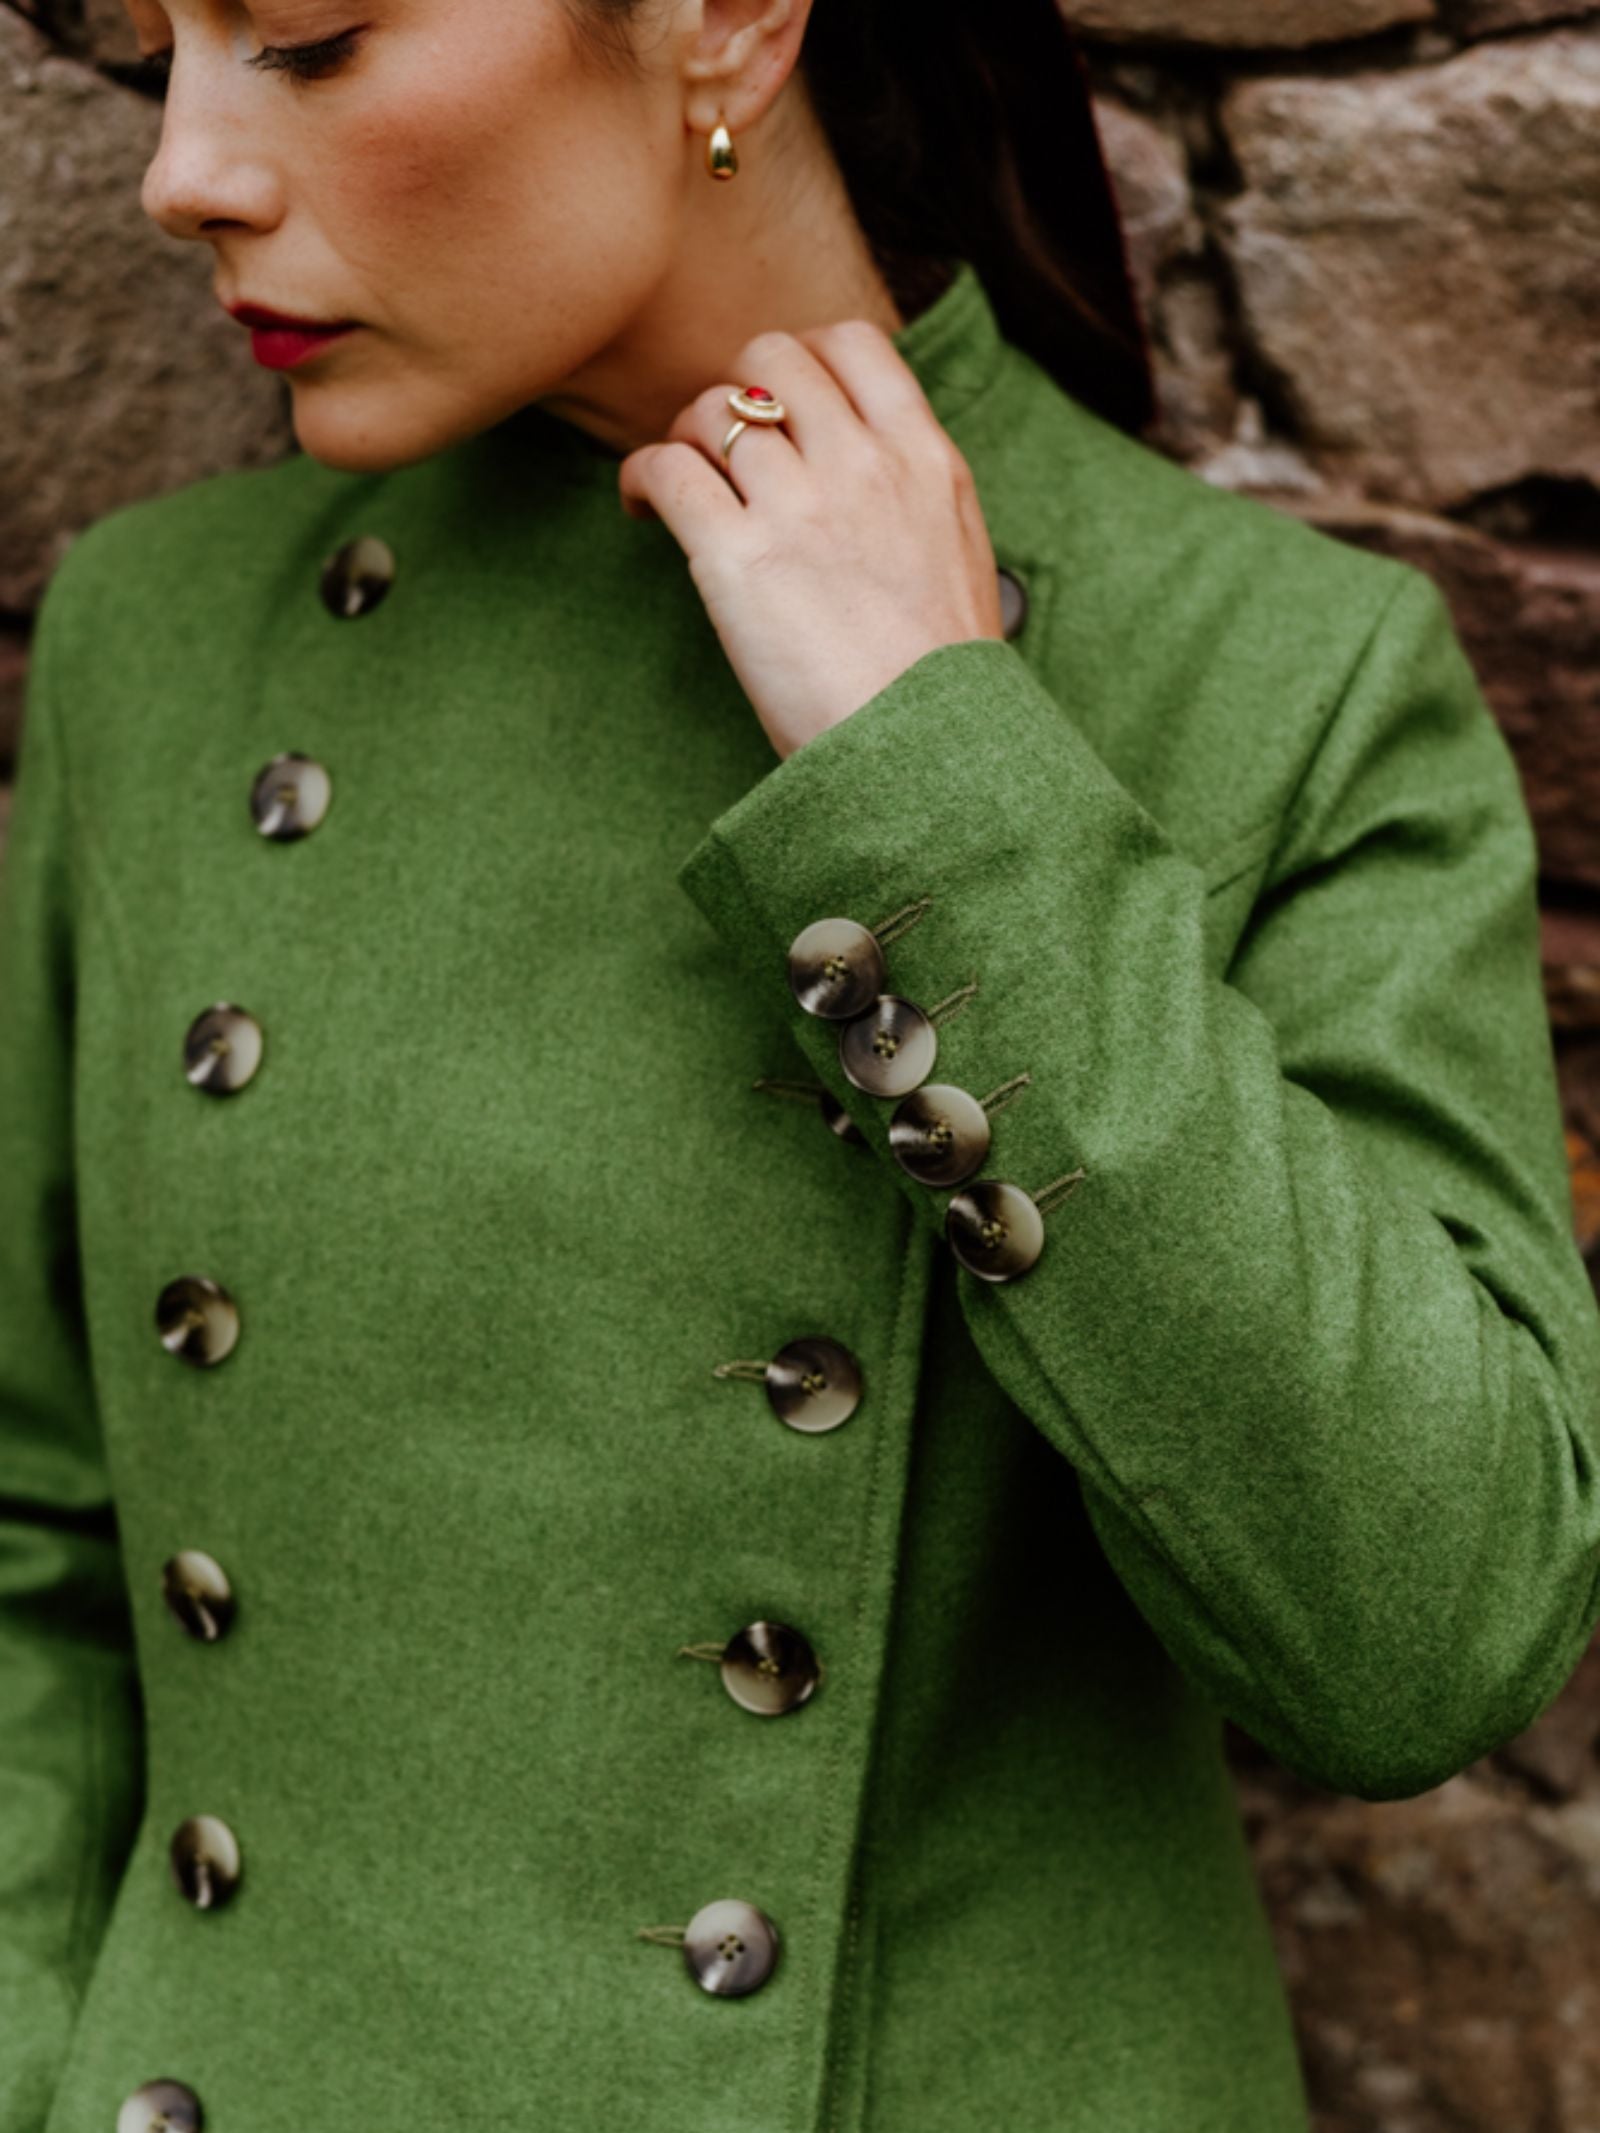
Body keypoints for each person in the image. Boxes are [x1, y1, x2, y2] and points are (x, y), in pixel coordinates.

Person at [3, 1, 1597, 2128]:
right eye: (159, 32)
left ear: (726, 23)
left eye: (308, 34)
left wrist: (929, 777)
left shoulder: (1267, 675)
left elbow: (1431, 1633)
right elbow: (29, 1533)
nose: (178, 165)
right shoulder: (159, 643)